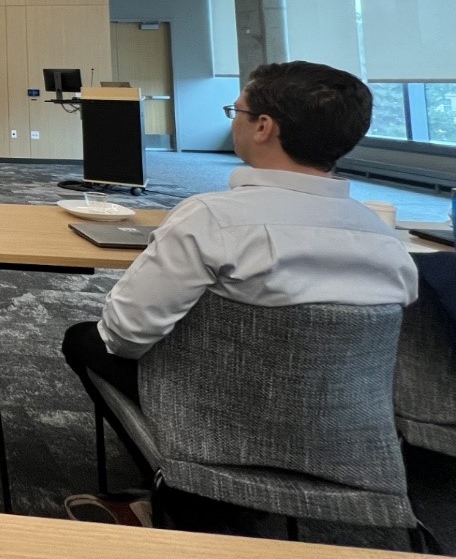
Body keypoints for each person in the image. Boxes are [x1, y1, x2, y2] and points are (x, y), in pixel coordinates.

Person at [61, 60, 419, 527]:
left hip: (209, 416)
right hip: (340, 433)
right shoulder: (388, 242)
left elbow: (125, 334)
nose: (234, 119)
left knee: (84, 338)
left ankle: (185, 497)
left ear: (264, 127)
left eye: (238, 109)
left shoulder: (210, 219)